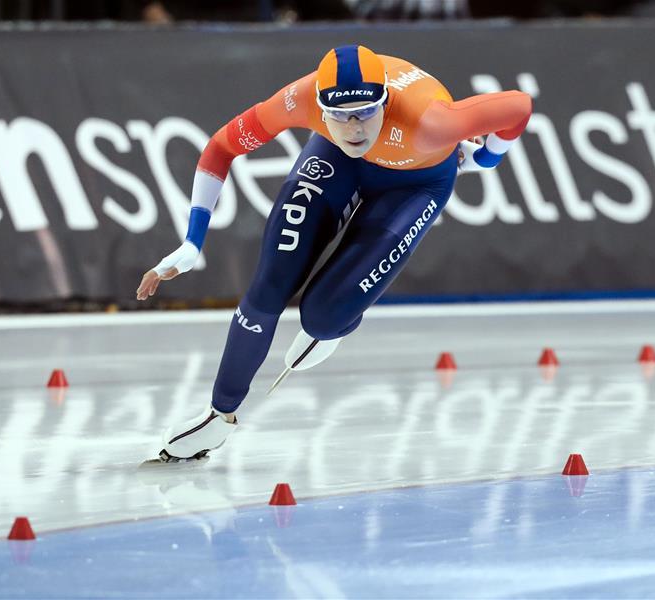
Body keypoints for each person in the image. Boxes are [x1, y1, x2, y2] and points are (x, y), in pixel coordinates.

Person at [136, 44, 531, 462]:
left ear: (386, 102)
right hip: (336, 161)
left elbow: (518, 105)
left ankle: (333, 324)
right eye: (340, 114)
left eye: (366, 111)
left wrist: (487, 157)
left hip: (414, 184)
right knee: (270, 284)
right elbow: (221, 148)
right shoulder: (300, 98)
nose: (355, 127)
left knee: (324, 315)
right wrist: (193, 240)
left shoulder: (431, 122)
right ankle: (218, 416)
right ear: (320, 108)